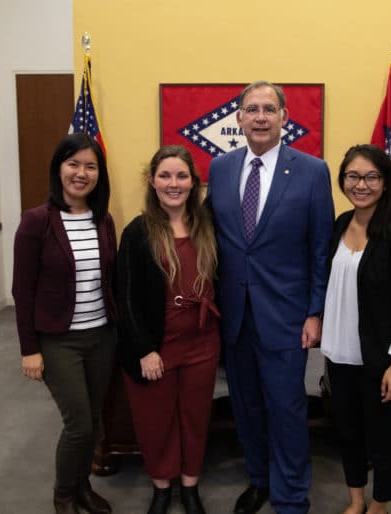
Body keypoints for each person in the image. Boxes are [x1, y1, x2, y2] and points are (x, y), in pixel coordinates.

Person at [206, 81, 335, 514]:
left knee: (287, 408)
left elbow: (320, 249)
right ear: (238, 118)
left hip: (287, 316)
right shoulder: (220, 169)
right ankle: (260, 479)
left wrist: (315, 311)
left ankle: (291, 495)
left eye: (269, 109)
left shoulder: (313, 171)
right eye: (251, 109)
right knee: (246, 406)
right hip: (235, 316)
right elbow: (215, 239)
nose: (260, 116)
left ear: (285, 117)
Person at [12, 133, 118, 514]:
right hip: (59, 342)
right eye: (73, 164)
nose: (81, 173)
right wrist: (30, 349)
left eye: (90, 166)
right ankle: (63, 496)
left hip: (102, 337)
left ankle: (82, 487)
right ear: (59, 169)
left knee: (92, 420)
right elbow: (21, 291)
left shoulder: (103, 220)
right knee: (79, 426)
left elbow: (110, 279)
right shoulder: (36, 221)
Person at [321, 144, 391, 514]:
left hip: (380, 357)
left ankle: (379, 505)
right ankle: (355, 500)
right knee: (347, 432)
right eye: (353, 176)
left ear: (385, 183)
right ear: (342, 180)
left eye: (371, 177)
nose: (360, 184)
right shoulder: (339, 224)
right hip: (339, 350)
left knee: (381, 436)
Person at [117, 145, 220, 514]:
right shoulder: (138, 232)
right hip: (157, 347)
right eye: (165, 175)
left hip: (203, 345)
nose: (173, 183)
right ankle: (162, 486)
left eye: (181, 176)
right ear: (152, 181)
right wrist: (144, 349)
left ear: (193, 183)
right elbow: (125, 297)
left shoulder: (208, 227)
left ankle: (190, 485)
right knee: (155, 421)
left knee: (195, 417)